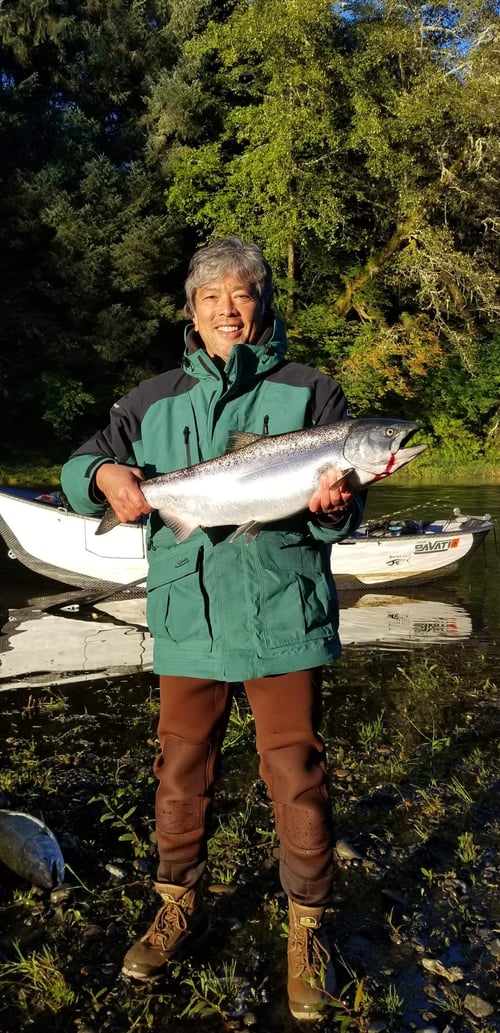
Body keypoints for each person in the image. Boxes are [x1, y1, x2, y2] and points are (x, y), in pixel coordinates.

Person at [61, 236, 364, 1022]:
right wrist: (103, 476)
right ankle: (176, 906)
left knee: (296, 773)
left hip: (283, 616)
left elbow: (346, 515)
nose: (228, 309)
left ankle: (308, 931)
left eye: (242, 294)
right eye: (211, 297)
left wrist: (339, 508)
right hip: (186, 619)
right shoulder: (152, 397)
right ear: (193, 311)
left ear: (263, 303)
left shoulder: (313, 392)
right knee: (180, 770)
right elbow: (80, 462)